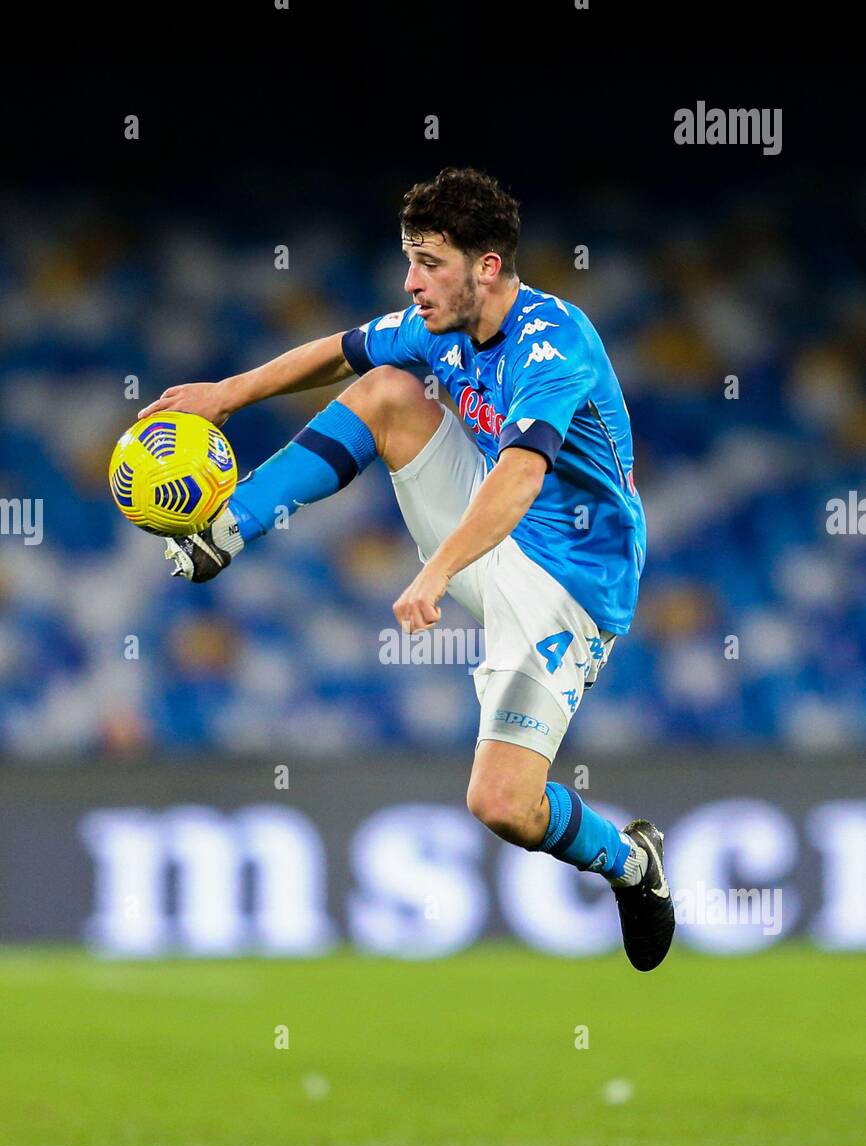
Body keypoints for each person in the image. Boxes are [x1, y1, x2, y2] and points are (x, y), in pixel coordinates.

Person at [138, 167, 674, 970]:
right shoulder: (439, 323)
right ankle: (228, 528)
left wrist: (435, 572)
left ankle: (632, 862)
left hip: (570, 585)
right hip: (489, 534)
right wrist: (228, 393)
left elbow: (522, 473)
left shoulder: (554, 342)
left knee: (501, 805)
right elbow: (341, 350)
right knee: (387, 390)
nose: (411, 281)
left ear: (485, 267)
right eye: (410, 260)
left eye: (428, 261)